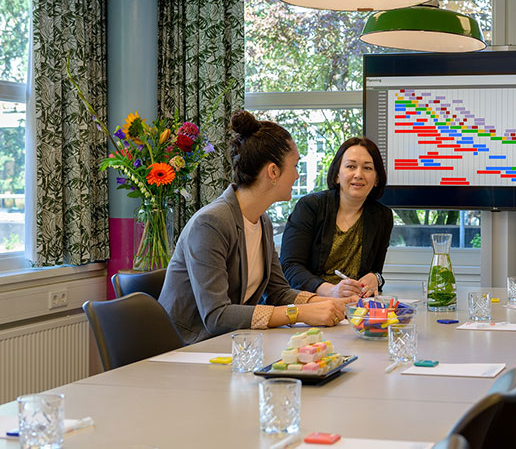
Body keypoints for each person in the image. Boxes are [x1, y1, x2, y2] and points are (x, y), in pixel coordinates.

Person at [159, 110, 354, 344]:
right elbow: (216, 315)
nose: (297, 174)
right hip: (188, 349)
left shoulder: (262, 220)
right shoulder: (210, 223)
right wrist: (300, 313)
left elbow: (278, 292)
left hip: (231, 344)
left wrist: (327, 303)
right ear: (273, 171)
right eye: (295, 165)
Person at [281, 137, 393, 298]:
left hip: (353, 307)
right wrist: (331, 291)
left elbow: (376, 272)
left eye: (367, 168)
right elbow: (290, 267)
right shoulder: (310, 206)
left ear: (376, 179)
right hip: (309, 303)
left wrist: (375, 278)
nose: (358, 174)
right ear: (337, 175)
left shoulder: (383, 217)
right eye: (350, 166)